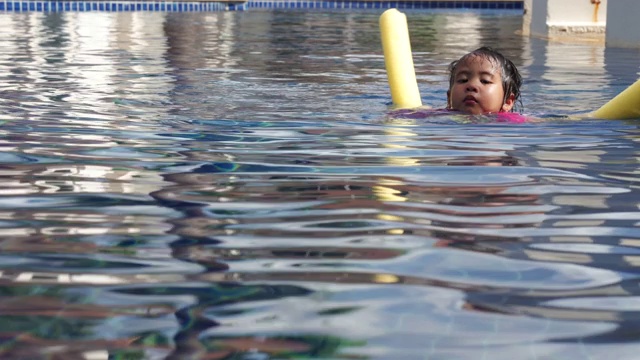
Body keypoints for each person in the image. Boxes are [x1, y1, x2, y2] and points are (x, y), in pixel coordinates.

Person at [446, 46, 522, 115]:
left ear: (507, 102)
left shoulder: (512, 122)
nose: (471, 85)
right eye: (463, 80)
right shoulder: (440, 116)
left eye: (485, 81)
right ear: (449, 98)